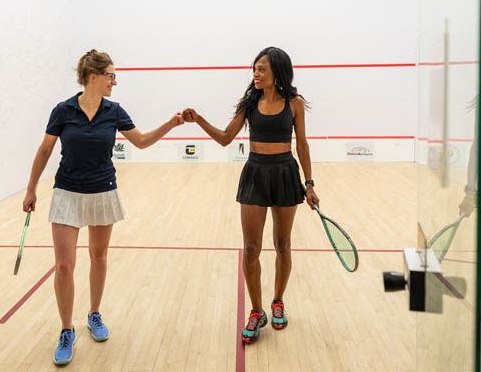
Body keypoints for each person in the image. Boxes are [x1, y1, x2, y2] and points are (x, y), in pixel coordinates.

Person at [22, 49, 184, 365]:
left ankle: (94, 314)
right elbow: (44, 150)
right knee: (65, 265)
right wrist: (30, 189)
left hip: (102, 191)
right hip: (66, 193)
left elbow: (140, 141)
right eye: (111, 75)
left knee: (98, 256)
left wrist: (171, 124)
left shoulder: (114, 111)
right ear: (93, 77)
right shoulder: (63, 110)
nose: (115, 81)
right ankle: (66, 330)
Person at [183, 46, 319, 343]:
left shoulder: (294, 104)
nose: (255, 74)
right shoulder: (248, 103)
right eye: (254, 69)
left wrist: (309, 184)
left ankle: (278, 300)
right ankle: (257, 311)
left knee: (283, 244)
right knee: (251, 248)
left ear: (277, 72)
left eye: (262, 69)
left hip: (285, 173)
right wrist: (200, 119)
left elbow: (303, 146)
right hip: (255, 173)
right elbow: (225, 138)